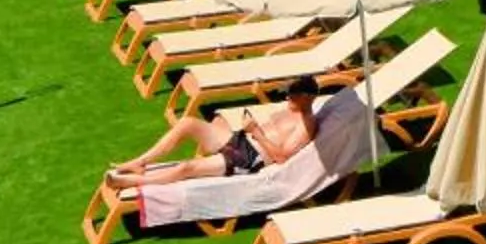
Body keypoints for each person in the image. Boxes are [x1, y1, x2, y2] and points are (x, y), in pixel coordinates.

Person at [105, 74, 332, 187]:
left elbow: (282, 157)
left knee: (187, 167)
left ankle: (131, 182)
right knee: (187, 123)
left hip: (248, 158)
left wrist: (257, 133)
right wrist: (250, 127)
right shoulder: (289, 109)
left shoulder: (306, 124)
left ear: (307, 97)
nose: (287, 97)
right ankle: (140, 162)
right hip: (240, 139)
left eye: (292, 94)